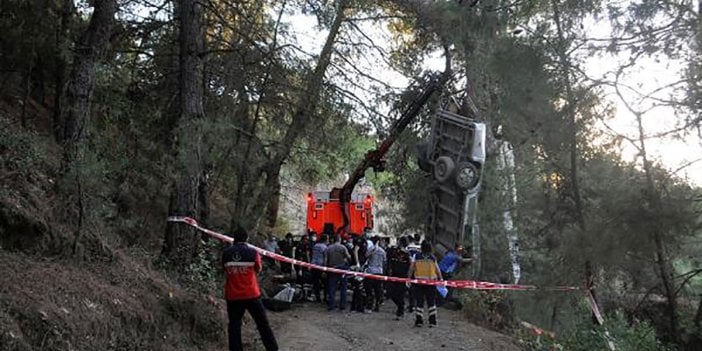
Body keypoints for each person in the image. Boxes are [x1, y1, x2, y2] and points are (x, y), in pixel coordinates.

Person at [222, 226, 279, 351]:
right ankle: (272, 348)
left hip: (233, 295)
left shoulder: (226, 253)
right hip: (251, 294)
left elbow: (225, 270)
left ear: (234, 239)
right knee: (263, 324)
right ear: (246, 238)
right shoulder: (253, 253)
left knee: (234, 326)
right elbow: (258, 269)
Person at [408, 240, 443, 327]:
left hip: (419, 283)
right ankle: (432, 321)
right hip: (431, 283)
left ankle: (419, 321)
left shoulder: (416, 256)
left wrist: (408, 278)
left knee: (419, 302)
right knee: (431, 302)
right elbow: (437, 269)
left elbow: (411, 268)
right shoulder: (432, 258)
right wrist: (441, 278)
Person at [387, 236, 411, 319]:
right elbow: (390, 260)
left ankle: (400, 312)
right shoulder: (394, 251)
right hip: (393, 275)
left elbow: (410, 266)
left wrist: (408, 278)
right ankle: (401, 306)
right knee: (390, 293)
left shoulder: (407, 254)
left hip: (402, 276)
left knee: (400, 294)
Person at [324, 235, 351, 311]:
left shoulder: (328, 248)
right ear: (340, 239)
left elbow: (325, 260)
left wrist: (325, 269)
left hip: (332, 269)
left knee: (332, 288)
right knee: (343, 288)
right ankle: (342, 305)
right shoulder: (343, 247)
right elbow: (348, 257)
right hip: (342, 269)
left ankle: (331, 305)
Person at [364, 236, 387, 312]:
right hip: (379, 272)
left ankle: (370, 305)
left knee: (369, 290)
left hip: (371, 271)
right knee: (378, 289)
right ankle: (377, 305)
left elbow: (366, 256)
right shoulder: (383, 251)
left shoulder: (371, 249)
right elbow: (384, 262)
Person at [310, 234, 328, 303]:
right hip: (321, 266)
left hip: (314, 266)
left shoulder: (315, 246)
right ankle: (325, 297)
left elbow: (312, 254)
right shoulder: (324, 247)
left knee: (316, 283)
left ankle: (318, 298)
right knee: (325, 283)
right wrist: (325, 269)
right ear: (326, 240)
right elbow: (325, 258)